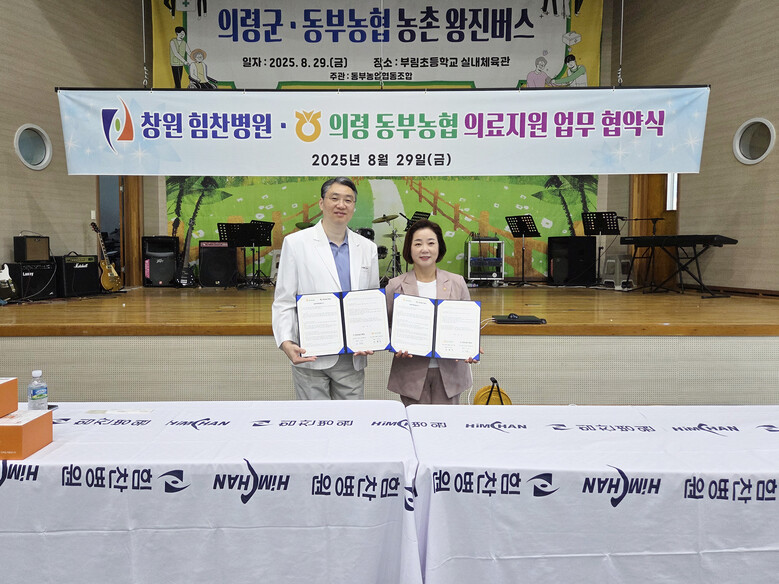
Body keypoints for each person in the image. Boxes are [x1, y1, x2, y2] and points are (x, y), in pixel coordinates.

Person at [272, 177, 379, 400]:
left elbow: (370, 302)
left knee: (352, 417)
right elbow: (284, 300)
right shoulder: (296, 243)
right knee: (315, 418)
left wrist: (369, 337)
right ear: (321, 203)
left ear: (354, 206)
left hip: (352, 356)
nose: (341, 205)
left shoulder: (367, 248)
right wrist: (286, 341)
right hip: (310, 353)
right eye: (334, 198)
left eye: (348, 200)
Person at [385, 219, 476, 406]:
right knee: (415, 423)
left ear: (439, 247)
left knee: (447, 423)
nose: (424, 249)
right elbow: (385, 327)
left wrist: (470, 347)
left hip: (450, 373)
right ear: (409, 249)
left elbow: (468, 326)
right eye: (418, 244)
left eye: (431, 243)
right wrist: (395, 344)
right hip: (411, 373)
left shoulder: (457, 282)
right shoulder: (395, 286)